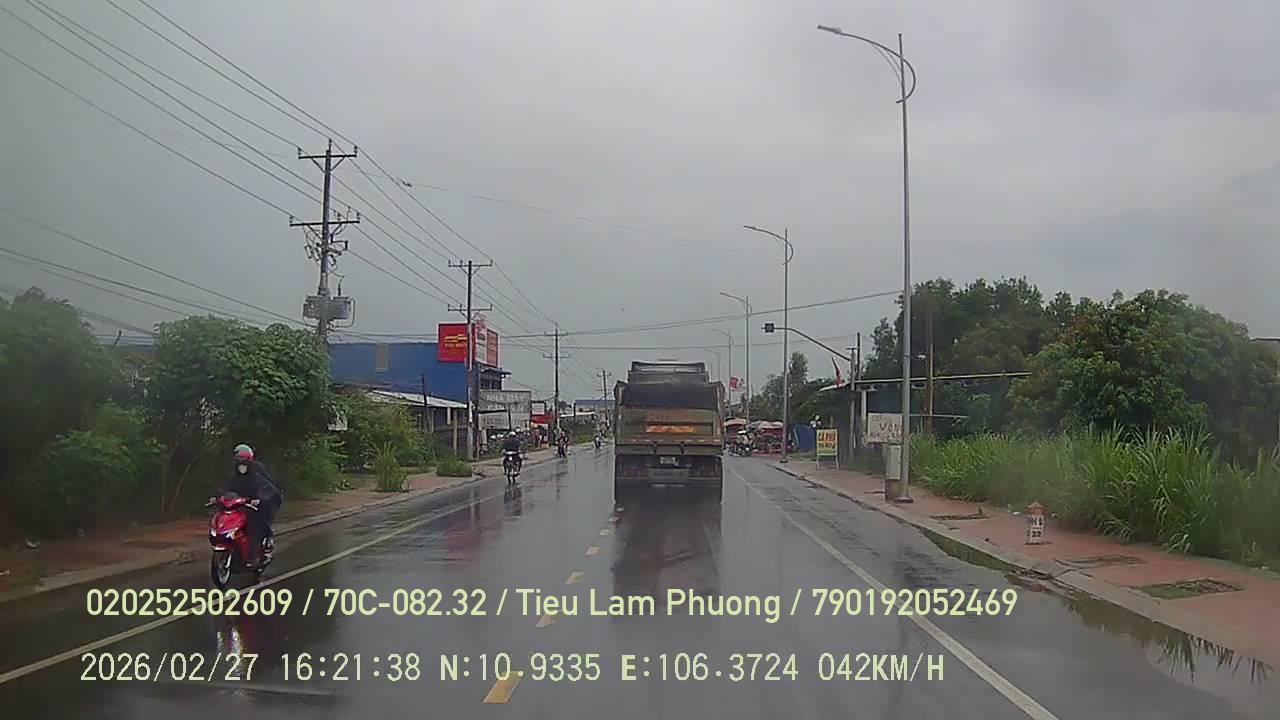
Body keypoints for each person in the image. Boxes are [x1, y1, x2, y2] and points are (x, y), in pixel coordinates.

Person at [220, 444, 282, 560]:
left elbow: (267, 488)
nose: (241, 462)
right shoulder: (233, 474)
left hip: (257, 505)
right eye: (238, 459)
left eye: (243, 459)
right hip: (238, 505)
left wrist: (259, 498)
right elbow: (226, 487)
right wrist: (219, 497)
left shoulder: (257, 472)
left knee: (255, 526)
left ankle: (255, 553)